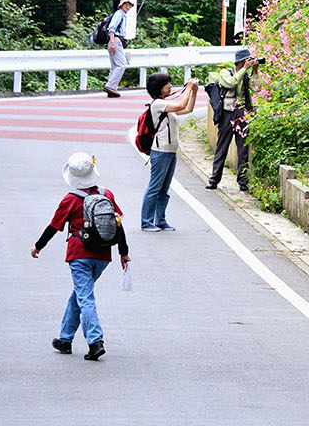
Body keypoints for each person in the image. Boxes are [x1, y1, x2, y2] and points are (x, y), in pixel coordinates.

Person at [32, 152, 131, 360]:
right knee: (79, 294)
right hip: (103, 255)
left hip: (79, 255)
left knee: (85, 297)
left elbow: (54, 226)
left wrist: (38, 246)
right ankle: (65, 339)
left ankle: (95, 341)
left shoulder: (71, 199)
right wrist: (124, 252)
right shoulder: (107, 194)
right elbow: (119, 224)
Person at [140, 71, 198, 231]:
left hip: (171, 152)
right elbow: (180, 105)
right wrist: (188, 88)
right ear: (159, 88)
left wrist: (193, 92)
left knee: (164, 190)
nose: (170, 86)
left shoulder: (166, 105)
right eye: (167, 84)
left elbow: (187, 109)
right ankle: (146, 221)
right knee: (155, 187)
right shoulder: (157, 104)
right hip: (160, 152)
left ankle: (160, 220)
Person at [207, 49, 258, 191]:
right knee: (222, 147)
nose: (248, 63)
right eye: (246, 61)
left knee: (243, 148)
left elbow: (257, 88)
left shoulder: (246, 75)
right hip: (226, 114)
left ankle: (243, 182)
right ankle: (214, 179)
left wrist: (254, 71)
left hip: (242, 113)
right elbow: (231, 83)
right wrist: (244, 70)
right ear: (240, 62)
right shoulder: (225, 73)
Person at [102, 0, 133, 98]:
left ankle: (112, 89)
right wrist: (112, 42)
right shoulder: (119, 14)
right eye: (126, 4)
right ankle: (110, 86)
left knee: (115, 66)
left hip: (114, 40)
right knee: (121, 64)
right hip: (115, 40)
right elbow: (112, 28)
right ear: (122, 5)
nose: (128, 7)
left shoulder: (122, 15)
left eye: (129, 5)